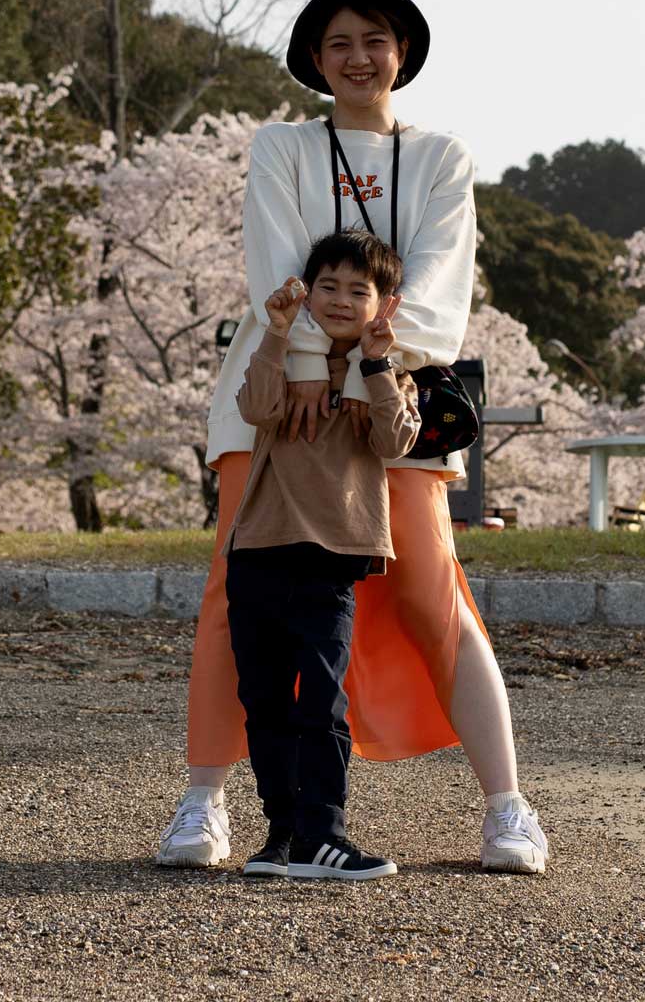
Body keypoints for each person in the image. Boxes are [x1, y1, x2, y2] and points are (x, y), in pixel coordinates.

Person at [157, 0, 550, 874]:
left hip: (388, 401)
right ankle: (201, 805)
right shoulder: (281, 146)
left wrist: (357, 371)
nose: (358, 57)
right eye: (338, 43)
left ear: (400, 52)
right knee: (234, 593)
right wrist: (301, 362)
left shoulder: (442, 156)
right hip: (272, 405)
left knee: (429, 592)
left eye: (374, 39)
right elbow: (275, 267)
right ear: (313, 59)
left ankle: (507, 807)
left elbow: (439, 288)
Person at [228, 232, 418, 881]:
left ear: (383, 304)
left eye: (358, 290)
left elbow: (395, 442)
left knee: (323, 701)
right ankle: (281, 833)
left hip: (335, 552)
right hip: (258, 545)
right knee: (264, 699)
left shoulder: (387, 373)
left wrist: (376, 368)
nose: (341, 299)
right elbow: (254, 407)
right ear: (308, 292)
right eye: (328, 286)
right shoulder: (284, 358)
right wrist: (277, 334)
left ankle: (324, 832)